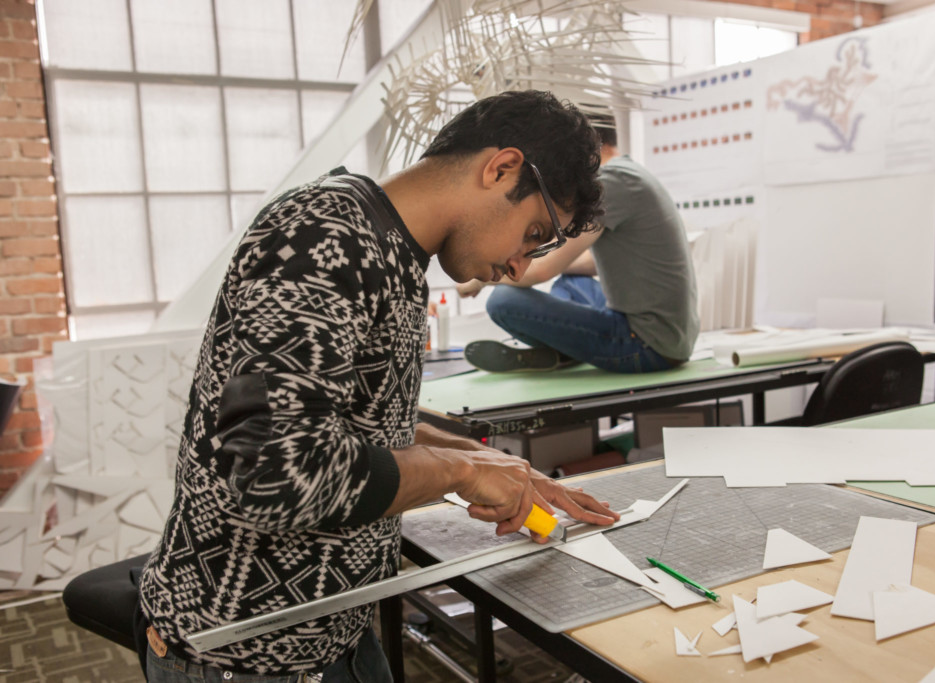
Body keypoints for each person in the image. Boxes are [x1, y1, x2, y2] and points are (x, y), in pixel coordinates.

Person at [137, 90, 620, 682]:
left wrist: (490, 460)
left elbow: (354, 419)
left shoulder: (390, 251)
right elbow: (277, 472)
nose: (522, 268)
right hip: (246, 651)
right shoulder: (324, 234)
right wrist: (461, 473)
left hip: (329, 629)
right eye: (534, 233)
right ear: (501, 169)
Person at [458, 110, 700, 374]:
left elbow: (540, 271)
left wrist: (483, 277)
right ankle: (565, 350)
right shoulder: (630, 173)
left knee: (502, 300)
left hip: (647, 346)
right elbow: (592, 265)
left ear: (589, 142)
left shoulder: (611, 183)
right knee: (570, 284)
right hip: (670, 338)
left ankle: (563, 350)